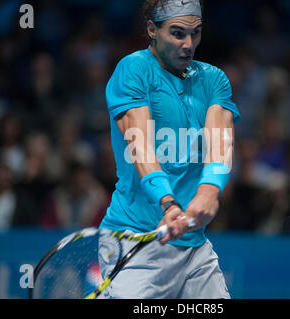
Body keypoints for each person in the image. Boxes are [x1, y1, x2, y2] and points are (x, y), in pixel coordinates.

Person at [98, 0, 240, 299]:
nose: (189, 44)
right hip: (134, 244)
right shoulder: (133, 70)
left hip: (194, 249)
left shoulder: (214, 79)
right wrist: (167, 202)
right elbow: (140, 145)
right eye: (177, 33)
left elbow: (221, 141)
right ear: (152, 29)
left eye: (196, 33)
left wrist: (208, 191)